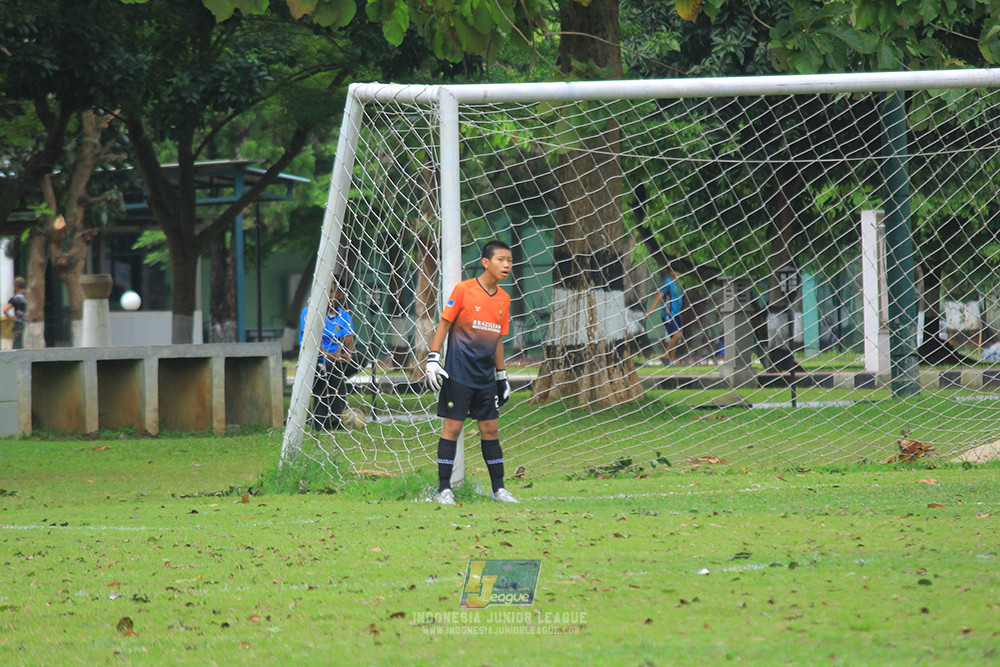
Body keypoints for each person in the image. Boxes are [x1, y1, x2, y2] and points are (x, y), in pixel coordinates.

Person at [425, 240, 517, 505]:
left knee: (491, 429)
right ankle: (444, 489)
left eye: (510, 260)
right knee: (452, 428)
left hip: (486, 378)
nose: (507, 265)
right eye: (501, 259)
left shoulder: (504, 298)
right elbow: (444, 324)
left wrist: (502, 376)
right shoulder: (464, 290)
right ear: (486, 263)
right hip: (458, 374)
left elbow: (499, 340)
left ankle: (499, 489)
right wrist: (433, 358)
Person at [299, 279, 357, 432]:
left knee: (356, 360)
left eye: (332, 291)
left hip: (335, 361)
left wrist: (347, 354)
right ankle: (334, 420)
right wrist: (330, 355)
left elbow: (349, 340)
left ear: (340, 294)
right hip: (314, 359)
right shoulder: (310, 313)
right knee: (332, 373)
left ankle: (327, 421)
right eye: (326, 291)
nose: (328, 295)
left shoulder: (343, 316)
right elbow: (309, 343)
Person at [646, 267, 683, 365]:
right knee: (677, 335)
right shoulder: (668, 282)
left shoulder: (678, 284)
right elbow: (660, 295)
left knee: (675, 338)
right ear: (671, 272)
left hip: (677, 313)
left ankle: (670, 361)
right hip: (668, 313)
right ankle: (665, 356)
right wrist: (652, 309)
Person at [3, 276, 27, 350]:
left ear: (15, 286)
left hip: (19, 324)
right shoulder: (29, 296)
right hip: (29, 323)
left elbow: (5, 310)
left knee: (17, 346)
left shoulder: (15, 298)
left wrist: (12, 318)